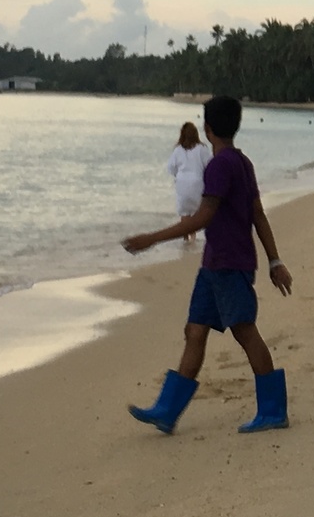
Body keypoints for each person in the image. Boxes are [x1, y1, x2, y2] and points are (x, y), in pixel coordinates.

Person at [121, 93, 291, 434]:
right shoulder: (243, 162)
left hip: (229, 264)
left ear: (207, 127)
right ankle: (167, 411)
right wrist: (273, 260)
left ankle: (273, 410)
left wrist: (151, 239)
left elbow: (202, 218)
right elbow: (257, 214)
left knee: (245, 331)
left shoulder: (220, 166)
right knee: (194, 331)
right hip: (215, 265)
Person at [163, 120, 211, 253]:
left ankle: (186, 239)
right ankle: (193, 238)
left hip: (182, 183)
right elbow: (209, 166)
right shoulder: (202, 149)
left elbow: (171, 168)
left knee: (184, 212)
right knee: (197, 212)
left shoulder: (178, 150)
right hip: (197, 182)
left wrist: (178, 176)